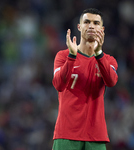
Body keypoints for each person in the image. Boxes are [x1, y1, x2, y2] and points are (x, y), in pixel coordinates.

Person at [52, 8, 118, 150]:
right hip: (66, 133)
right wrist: (72, 57)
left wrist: (99, 53)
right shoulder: (63, 56)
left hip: (96, 136)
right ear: (79, 26)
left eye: (96, 23)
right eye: (87, 22)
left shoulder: (108, 60)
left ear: (102, 28)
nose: (91, 26)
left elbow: (112, 82)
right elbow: (58, 84)